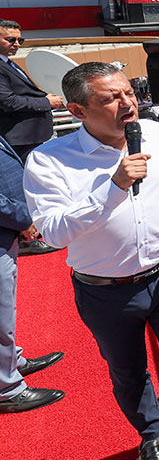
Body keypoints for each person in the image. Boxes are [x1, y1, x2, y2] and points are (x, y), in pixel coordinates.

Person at [24, 62, 159, 459]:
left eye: (129, 93)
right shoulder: (49, 161)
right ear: (78, 110)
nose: (127, 104)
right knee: (128, 373)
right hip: (105, 292)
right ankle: (152, 433)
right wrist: (113, 186)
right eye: (111, 99)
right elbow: (52, 232)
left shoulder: (153, 130)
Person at [0, 133, 63, 413]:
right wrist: (24, 219)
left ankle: (11, 362)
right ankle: (7, 389)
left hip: (6, 230)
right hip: (7, 224)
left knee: (6, 307)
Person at [0, 20, 61, 161]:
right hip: (21, 141)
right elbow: (8, 102)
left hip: (31, 138)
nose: (16, 44)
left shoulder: (7, 62)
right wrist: (46, 102)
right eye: (10, 40)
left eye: (20, 40)